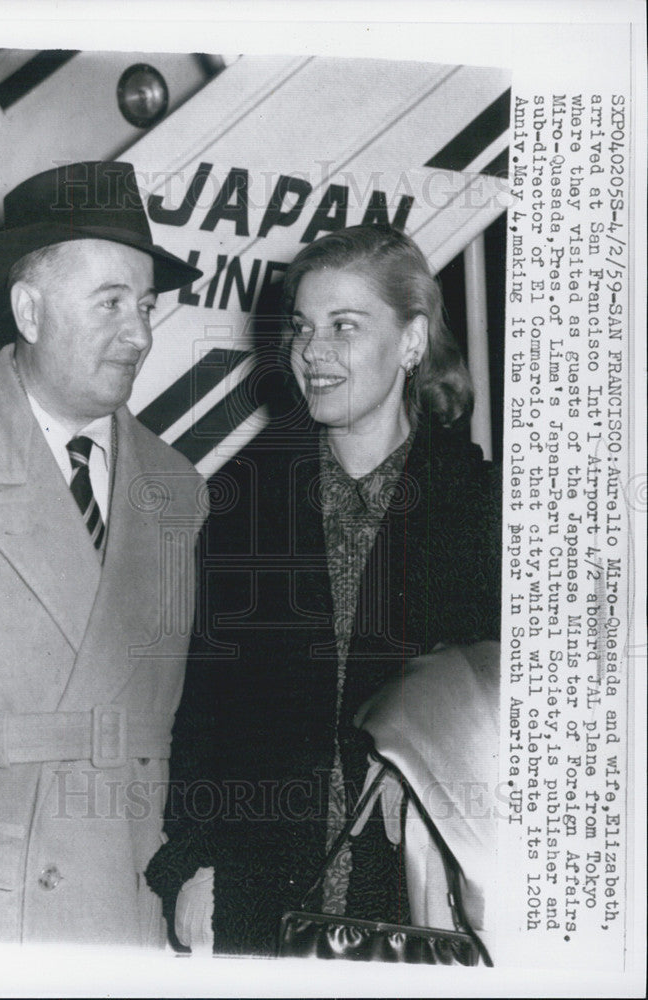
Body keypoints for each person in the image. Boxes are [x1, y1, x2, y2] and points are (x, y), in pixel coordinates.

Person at [145, 223, 502, 957]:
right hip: (261, 890)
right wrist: (194, 859)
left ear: (411, 341)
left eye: (345, 326)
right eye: (303, 327)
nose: (312, 351)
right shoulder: (244, 500)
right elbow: (205, 711)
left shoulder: (486, 509)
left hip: (431, 903)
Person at [0, 161, 207, 946]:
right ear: (29, 310)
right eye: (110, 302)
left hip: (125, 908)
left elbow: (195, 721)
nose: (140, 332)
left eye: (145, 305)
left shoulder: (180, 490)